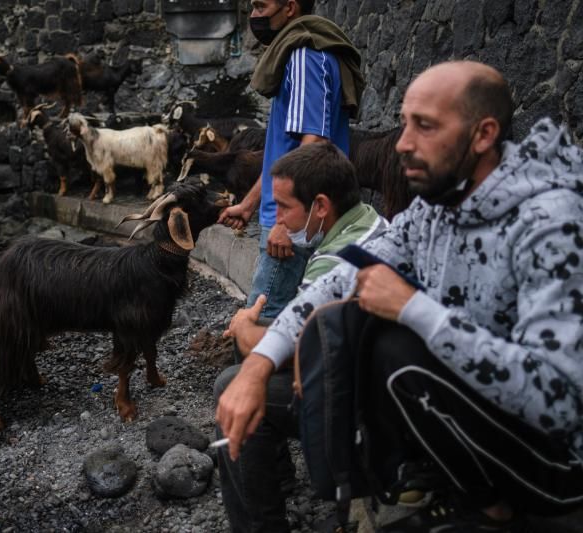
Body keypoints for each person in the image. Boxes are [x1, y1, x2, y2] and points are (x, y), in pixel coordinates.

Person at [217, 61, 583, 531]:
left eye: (425, 126)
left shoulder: (551, 225)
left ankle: (484, 508)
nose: (403, 143)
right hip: (453, 415)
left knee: (395, 343)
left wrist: (414, 309)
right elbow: (339, 280)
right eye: (405, 122)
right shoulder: (434, 210)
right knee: (322, 331)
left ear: (484, 134)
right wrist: (259, 363)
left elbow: (557, 401)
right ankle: (369, 497)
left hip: (549, 463)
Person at [215, 141, 388, 532]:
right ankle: (278, 473)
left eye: (284, 207)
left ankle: (261, 523)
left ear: (321, 207)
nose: (276, 219)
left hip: (365, 404)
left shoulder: (333, 263)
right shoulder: (371, 220)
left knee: (231, 385)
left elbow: (306, 356)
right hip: (369, 372)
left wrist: (245, 330)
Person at [218, 0, 365, 318]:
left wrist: (286, 223)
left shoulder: (303, 55)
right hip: (296, 216)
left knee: (260, 323)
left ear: (290, 8)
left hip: (295, 221)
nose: (255, 16)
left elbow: (313, 144)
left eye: (261, 6)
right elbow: (283, 152)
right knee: (293, 327)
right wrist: (249, 204)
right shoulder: (301, 52)